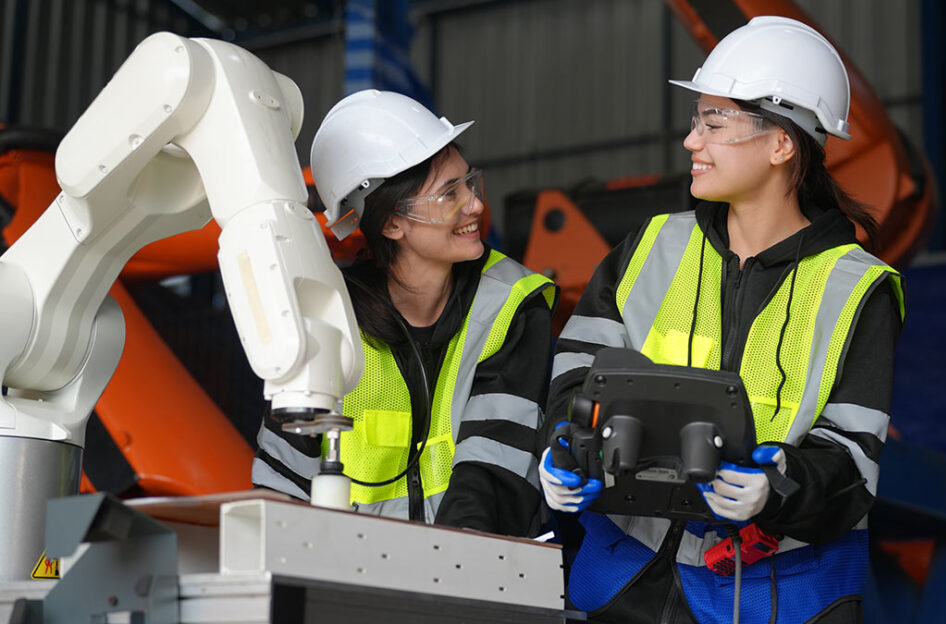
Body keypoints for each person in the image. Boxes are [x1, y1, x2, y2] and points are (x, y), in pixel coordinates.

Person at [539, 16, 905, 624]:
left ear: (781, 144)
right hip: (625, 582)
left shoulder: (857, 288)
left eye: (713, 124)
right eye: (695, 121)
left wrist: (778, 488)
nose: (691, 141)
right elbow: (576, 376)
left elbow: (854, 458)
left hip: (777, 598)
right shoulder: (651, 248)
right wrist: (562, 450)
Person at [252, 90, 556, 538]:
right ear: (392, 223)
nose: (473, 204)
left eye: (469, 182)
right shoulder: (329, 321)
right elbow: (280, 486)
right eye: (448, 193)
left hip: (475, 575)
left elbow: (495, 468)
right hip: (348, 584)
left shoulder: (510, 304)